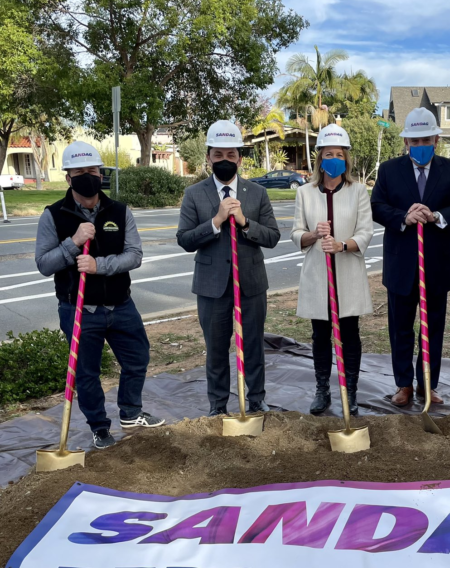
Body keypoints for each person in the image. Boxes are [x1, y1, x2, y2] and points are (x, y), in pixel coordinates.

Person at [35, 141, 164, 449]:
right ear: (68, 177)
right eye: (80, 171)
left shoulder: (119, 212)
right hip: (78, 310)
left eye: (92, 170)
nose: (88, 176)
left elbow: (134, 255)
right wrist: (73, 243)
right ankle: (99, 427)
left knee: (137, 359)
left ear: (101, 173)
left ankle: (131, 412)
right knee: (87, 373)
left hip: (121, 304)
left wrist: (98, 265)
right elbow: (43, 264)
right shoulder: (53, 216)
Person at [176, 120, 280, 416]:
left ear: (240, 158)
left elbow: (272, 236)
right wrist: (216, 222)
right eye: (218, 155)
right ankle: (218, 406)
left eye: (230, 155)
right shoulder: (194, 194)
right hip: (212, 287)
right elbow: (184, 239)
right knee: (217, 351)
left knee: (254, 347)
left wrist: (245, 223)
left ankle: (256, 399)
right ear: (208, 157)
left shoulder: (257, 193)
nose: (224, 161)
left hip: (251, 283)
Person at [371, 107, 450, 405]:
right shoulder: (389, 170)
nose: (420, 146)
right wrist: (405, 216)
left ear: (436, 139)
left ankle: (428, 383)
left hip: (437, 266)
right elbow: (377, 206)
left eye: (425, 140)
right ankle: (403, 384)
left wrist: (437, 215)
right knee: (401, 327)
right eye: (414, 141)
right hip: (401, 264)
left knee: (433, 328)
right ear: (406, 142)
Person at [291, 124, 373, 416]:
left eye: (340, 154)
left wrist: (342, 245)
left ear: (346, 159)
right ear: (319, 159)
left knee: (350, 334)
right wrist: (313, 235)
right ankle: (322, 389)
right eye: (329, 154)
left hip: (347, 273)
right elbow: (296, 234)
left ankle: (350, 391)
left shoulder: (358, 191)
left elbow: (366, 232)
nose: (334, 159)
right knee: (320, 335)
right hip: (317, 276)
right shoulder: (305, 193)